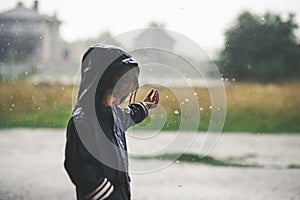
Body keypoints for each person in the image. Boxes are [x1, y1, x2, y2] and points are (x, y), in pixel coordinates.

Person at [64, 44, 159, 200]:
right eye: (113, 94)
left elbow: (128, 115)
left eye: (121, 97)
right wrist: (108, 193)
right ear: (98, 85)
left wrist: (146, 105)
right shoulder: (82, 121)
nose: (115, 102)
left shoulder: (113, 113)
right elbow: (77, 167)